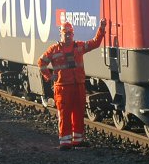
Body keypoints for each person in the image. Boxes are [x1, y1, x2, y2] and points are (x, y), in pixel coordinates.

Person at [37, 18, 107, 150]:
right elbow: (41, 62)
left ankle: (78, 140)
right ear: (61, 34)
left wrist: (101, 29)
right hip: (63, 87)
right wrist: (49, 76)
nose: (68, 36)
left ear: (73, 34)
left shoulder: (79, 46)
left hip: (78, 85)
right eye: (65, 33)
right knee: (64, 114)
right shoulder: (54, 49)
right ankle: (65, 142)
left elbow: (95, 43)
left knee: (79, 113)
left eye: (70, 33)